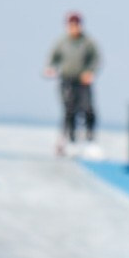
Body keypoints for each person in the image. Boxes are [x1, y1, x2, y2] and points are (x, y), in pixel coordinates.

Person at [45, 12, 100, 155]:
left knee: (88, 109)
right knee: (69, 111)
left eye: (76, 25)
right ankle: (71, 140)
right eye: (71, 25)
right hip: (67, 80)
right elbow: (52, 58)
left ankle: (90, 140)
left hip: (83, 82)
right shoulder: (62, 42)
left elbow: (96, 59)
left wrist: (90, 72)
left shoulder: (87, 42)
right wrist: (50, 68)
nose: (74, 28)